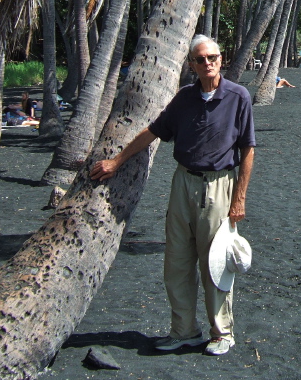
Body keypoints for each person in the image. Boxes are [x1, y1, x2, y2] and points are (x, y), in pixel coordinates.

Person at [90, 35, 256, 356]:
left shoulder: (239, 97)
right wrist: (116, 161)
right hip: (183, 183)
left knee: (216, 262)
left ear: (221, 59)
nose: (207, 63)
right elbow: (153, 133)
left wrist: (240, 198)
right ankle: (184, 331)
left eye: (212, 57)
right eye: (200, 59)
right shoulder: (184, 99)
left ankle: (222, 332)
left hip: (220, 185)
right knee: (177, 261)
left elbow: (247, 149)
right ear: (191, 65)